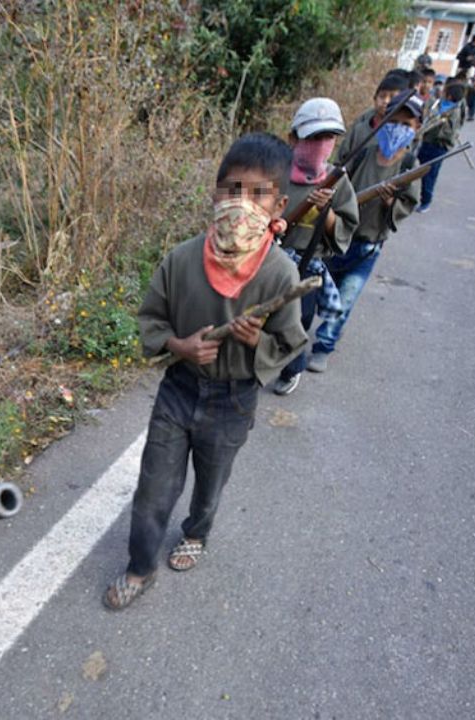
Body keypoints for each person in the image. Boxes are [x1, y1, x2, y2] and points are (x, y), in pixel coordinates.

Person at [103, 133, 307, 610]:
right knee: (155, 484)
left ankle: (197, 530)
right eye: (232, 188)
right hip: (179, 389)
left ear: (279, 202)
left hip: (233, 400)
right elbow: (151, 320)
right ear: (215, 194)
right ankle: (140, 566)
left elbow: (289, 344)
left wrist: (258, 341)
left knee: (212, 479)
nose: (242, 202)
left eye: (258, 193)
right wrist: (178, 345)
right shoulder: (181, 259)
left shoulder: (280, 274)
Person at [311, 95, 423, 370]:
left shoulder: (409, 164)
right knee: (320, 291)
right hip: (336, 237)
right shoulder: (364, 151)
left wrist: (389, 201)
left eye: (405, 123)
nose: (397, 127)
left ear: (416, 126)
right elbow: (338, 182)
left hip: (368, 245)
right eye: (393, 120)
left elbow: (406, 205)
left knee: (346, 297)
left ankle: (324, 345)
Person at [269, 99, 359, 394]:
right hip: (269, 262)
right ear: (293, 138)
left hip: (308, 269)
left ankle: (292, 368)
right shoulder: (274, 171)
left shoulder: (338, 182)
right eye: (312, 138)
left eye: (328, 138)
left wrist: (327, 210)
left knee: (297, 323)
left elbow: (346, 227)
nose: (320, 145)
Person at [415, 81, 467, 213]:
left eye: (444, 92)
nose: (441, 92)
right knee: (416, 168)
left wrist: (439, 124)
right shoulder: (438, 104)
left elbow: (449, 133)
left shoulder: (455, 112)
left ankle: (426, 201)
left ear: (449, 96)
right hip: (427, 142)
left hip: (439, 147)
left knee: (430, 174)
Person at [337, 73, 408, 160]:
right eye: (382, 96)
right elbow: (341, 158)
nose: (386, 101)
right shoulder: (359, 130)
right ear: (375, 98)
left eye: (392, 97)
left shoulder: (402, 137)